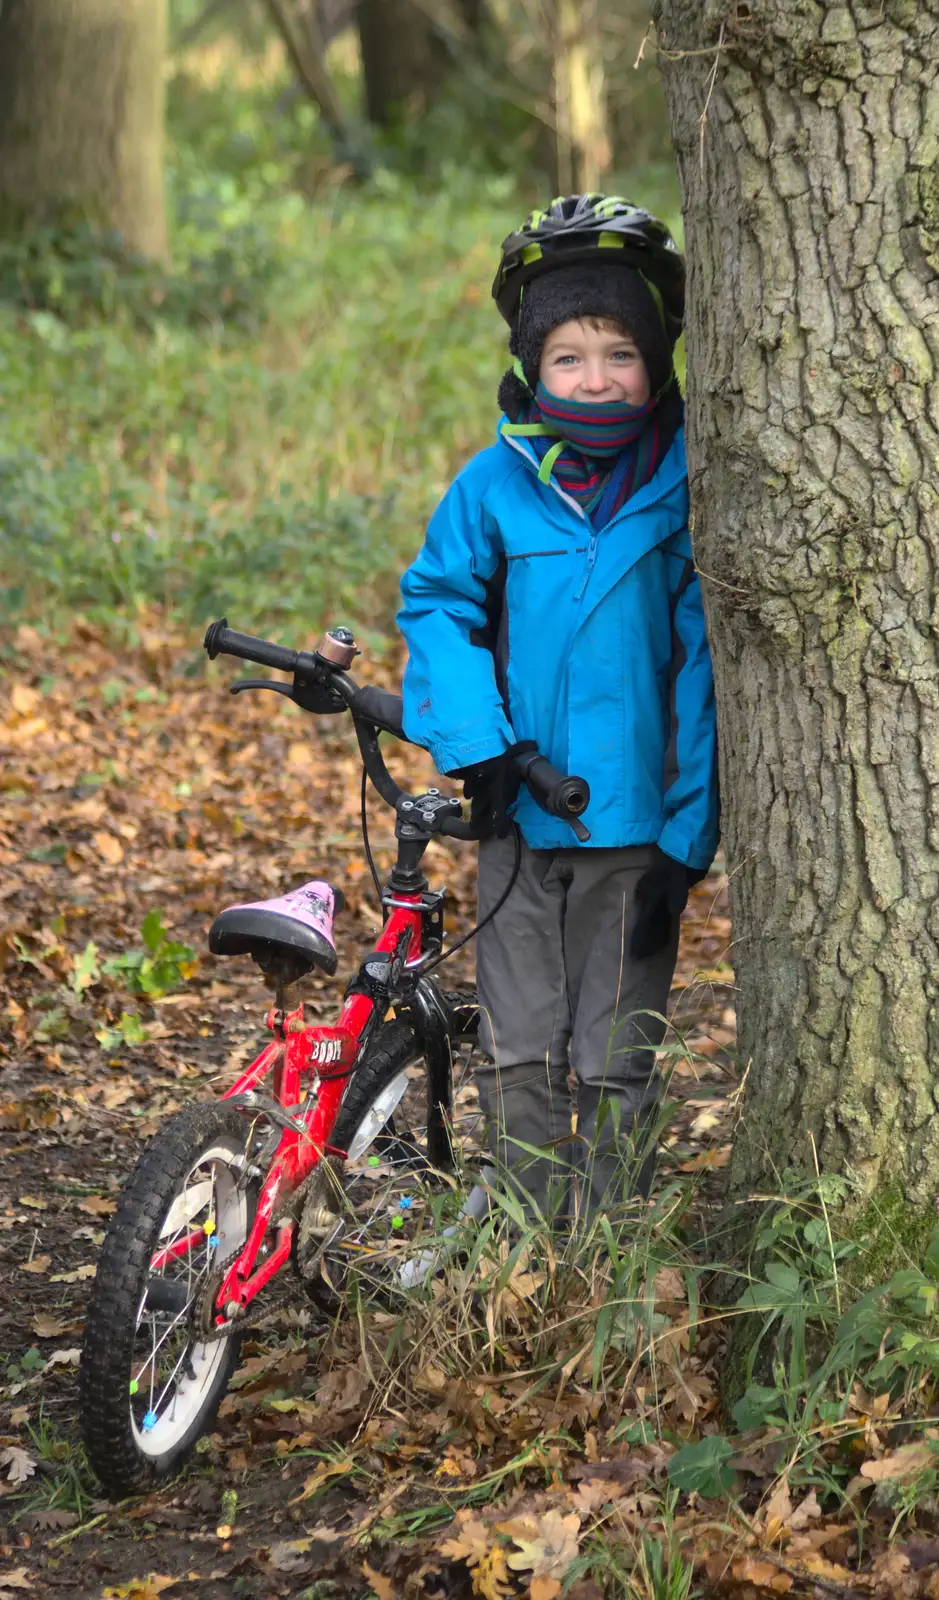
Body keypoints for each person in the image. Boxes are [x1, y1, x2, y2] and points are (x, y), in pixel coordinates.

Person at [397, 194, 720, 1225]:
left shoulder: (690, 487)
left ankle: (610, 1251)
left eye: (619, 352)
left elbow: (708, 669)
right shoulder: (495, 486)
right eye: (568, 356)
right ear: (534, 366)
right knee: (519, 1046)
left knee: (618, 1053)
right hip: (520, 822)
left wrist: (689, 836)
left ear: (656, 356)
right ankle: (528, 1244)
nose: (594, 378)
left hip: (638, 835)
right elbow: (439, 604)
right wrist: (476, 744)